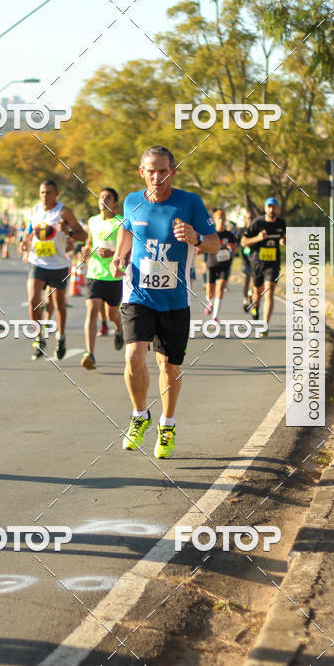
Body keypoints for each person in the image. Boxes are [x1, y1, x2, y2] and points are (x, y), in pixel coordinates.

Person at [110, 146, 219, 459]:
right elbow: (126, 233)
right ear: (141, 172)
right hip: (137, 295)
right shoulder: (132, 201)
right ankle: (138, 415)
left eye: (162, 170)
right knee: (133, 355)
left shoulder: (190, 203)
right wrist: (119, 256)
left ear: (173, 171)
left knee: (168, 366)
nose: (156, 177)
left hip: (174, 300)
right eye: (151, 171)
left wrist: (196, 238)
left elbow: (215, 244)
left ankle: (167, 425)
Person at [24, 179, 86, 360]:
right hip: (37, 262)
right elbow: (31, 230)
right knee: (33, 300)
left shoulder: (64, 212)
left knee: (59, 303)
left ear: (56, 194)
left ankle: (61, 337)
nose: (44, 196)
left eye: (48, 193)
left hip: (58, 265)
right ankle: (38, 337)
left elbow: (83, 235)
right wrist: (25, 241)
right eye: (42, 192)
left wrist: (68, 232)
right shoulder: (34, 210)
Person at [81, 187, 125, 370]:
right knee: (92, 310)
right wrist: (85, 251)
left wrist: (112, 253)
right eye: (101, 197)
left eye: (108, 198)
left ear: (115, 203)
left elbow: (128, 249)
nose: (103, 200)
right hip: (95, 274)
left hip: (114, 276)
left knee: (111, 314)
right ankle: (89, 354)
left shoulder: (121, 222)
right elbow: (89, 243)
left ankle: (119, 329)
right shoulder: (92, 221)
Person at [242, 197, 286, 332]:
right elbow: (244, 242)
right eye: (269, 207)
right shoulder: (257, 223)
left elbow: (284, 236)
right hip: (257, 262)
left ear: (277, 209)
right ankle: (255, 307)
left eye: (274, 207)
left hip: (273, 263)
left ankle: (265, 325)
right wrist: (258, 238)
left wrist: (284, 240)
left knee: (269, 291)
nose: (271, 209)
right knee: (257, 293)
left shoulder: (281, 223)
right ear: (265, 208)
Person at [204, 209, 237, 320]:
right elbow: (203, 246)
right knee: (209, 293)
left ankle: (215, 317)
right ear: (214, 220)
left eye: (223, 218)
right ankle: (210, 302)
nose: (221, 220)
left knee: (220, 289)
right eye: (219, 218)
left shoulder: (230, 235)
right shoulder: (210, 233)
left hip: (224, 266)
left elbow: (236, 250)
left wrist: (232, 248)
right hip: (212, 264)